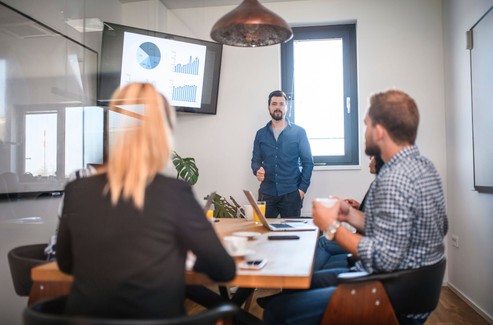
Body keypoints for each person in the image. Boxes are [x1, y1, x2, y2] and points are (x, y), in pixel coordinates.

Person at [263, 89, 448, 324]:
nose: (364, 133)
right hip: (409, 290)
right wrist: (350, 214)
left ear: (379, 131)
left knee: (278, 310)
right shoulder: (424, 168)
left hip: (388, 294)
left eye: (366, 125)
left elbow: (383, 258)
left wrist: (331, 226)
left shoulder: (393, 178)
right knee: (296, 286)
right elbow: (426, 227)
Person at [56, 83, 236, 319]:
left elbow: (66, 265)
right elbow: (223, 269)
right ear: (163, 134)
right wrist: (186, 261)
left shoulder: (77, 189)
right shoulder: (174, 192)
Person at [313, 155, 384, 271]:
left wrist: (330, 226)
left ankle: (304, 280)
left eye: (372, 157)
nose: (369, 159)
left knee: (323, 242)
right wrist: (356, 208)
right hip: (365, 244)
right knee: (323, 243)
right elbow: (375, 218)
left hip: (364, 246)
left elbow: (375, 225)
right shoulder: (378, 183)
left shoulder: (383, 186)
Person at [251, 90, 314, 218]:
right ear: (269, 107)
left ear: (287, 107)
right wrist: (257, 170)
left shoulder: (299, 132)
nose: (278, 107)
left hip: (291, 194)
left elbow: (308, 162)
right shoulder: (260, 134)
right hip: (266, 194)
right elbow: (255, 161)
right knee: (263, 233)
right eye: (274, 104)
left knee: (291, 235)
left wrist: (302, 190)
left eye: (281, 104)